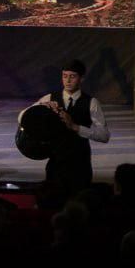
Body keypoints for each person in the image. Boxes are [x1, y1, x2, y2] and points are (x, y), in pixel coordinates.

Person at [24, 60, 110, 192]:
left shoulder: (91, 102)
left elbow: (104, 136)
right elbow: (22, 117)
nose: (68, 80)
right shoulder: (50, 98)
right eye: (65, 76)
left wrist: (76, 127)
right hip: (55, 163)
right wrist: (40, 108)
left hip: (80, 164)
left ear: (82, 78)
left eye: (72, 76)